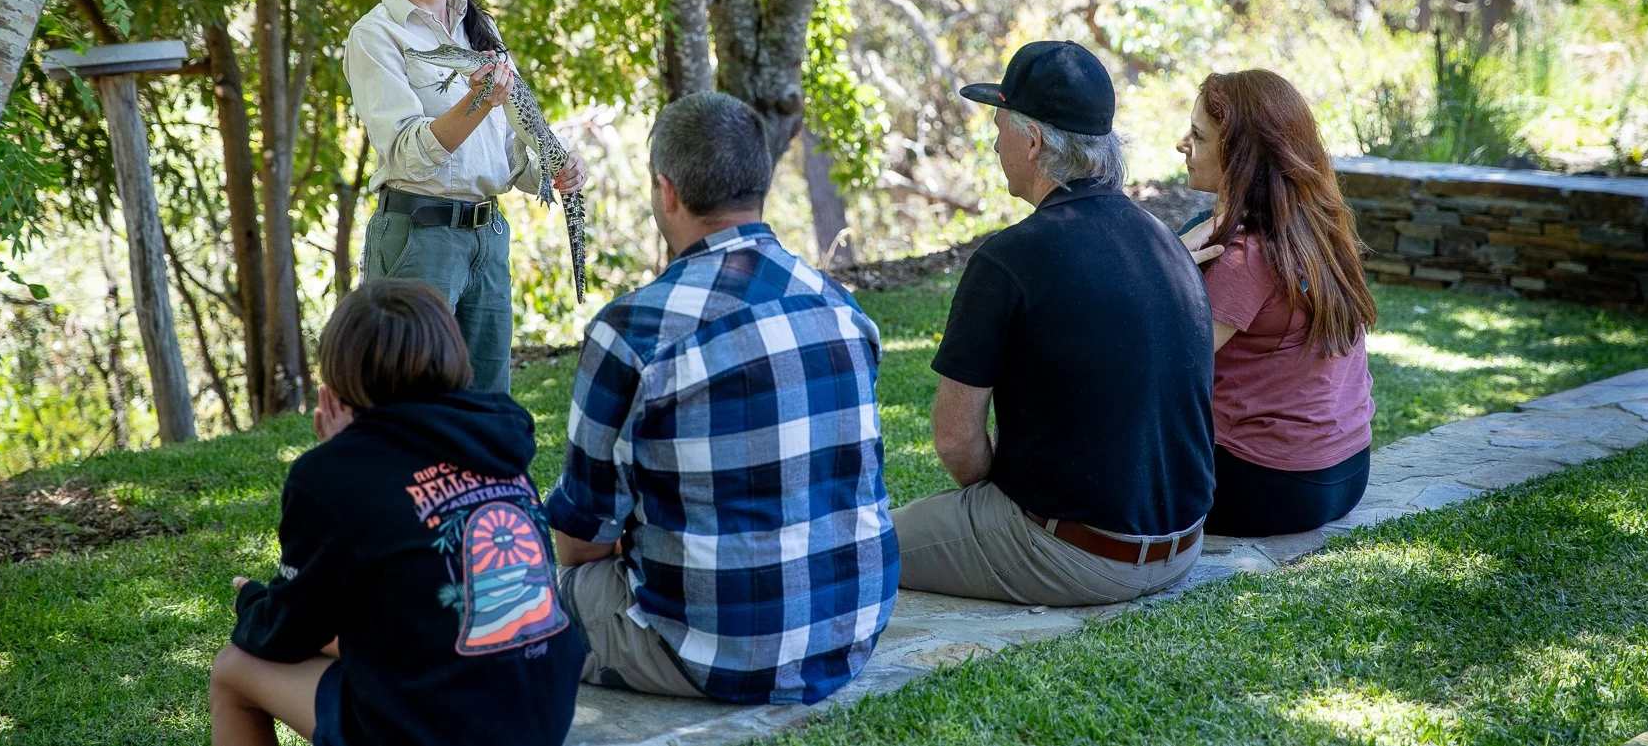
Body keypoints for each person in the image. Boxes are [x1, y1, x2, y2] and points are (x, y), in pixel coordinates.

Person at [546, 91, 897, 705]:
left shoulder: (632, 332)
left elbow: (583, 541)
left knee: (500, 588)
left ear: (668, 191)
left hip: (712, 650)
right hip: (851, 629)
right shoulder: (843, 309)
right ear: (760, 185)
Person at [893, 41, 1214, 607]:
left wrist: (996, 503)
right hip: (1183, 548)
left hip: (1075, 557)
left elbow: (956, 440)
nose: (995, 144)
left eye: (999, 127)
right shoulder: (1164, 241)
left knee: (848, 548)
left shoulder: (1009, 259)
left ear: (1032, 140)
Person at [208, 278, 582, 746]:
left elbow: (286, 633)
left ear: (340, 377)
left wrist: (253, 603)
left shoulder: (334, 474)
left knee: (232, 670)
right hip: (542, 710)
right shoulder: (498, 437)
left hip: (443, 728)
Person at [345, 0, 589, 394]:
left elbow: (505, 154)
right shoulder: (374, 37)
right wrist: (479, 100)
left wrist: (552, 169)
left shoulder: (479, 28)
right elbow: (409, 155)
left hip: (487, 237)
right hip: (418, 238)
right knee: (410, 401)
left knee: (488, 402)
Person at [1175, 69, 1376, 537]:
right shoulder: (1318, 228)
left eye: (1198, 136)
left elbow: (1162, 369)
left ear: (1240, 155)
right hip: (1345, 473)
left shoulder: (1242, 256)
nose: (1181, 144)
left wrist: (1170, 259)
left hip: (1268, 488)